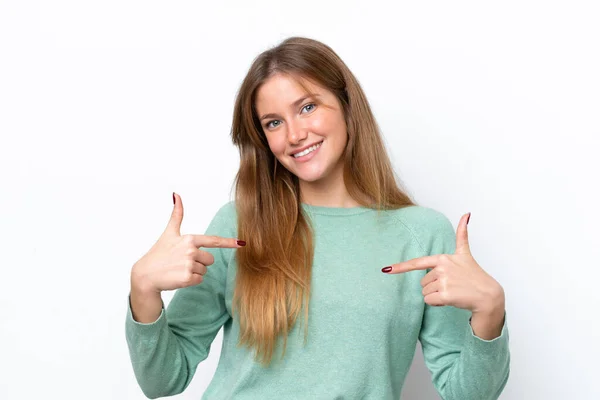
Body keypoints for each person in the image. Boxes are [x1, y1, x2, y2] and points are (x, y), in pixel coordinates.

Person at [125, 36, 510, 399]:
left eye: (307, 107)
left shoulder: (422, 234)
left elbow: (467, 393)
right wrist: (143, 287)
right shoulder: (239, 226)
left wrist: (490, 309)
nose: (294, 134)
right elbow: (163, 379)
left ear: (346, 105)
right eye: (273, 122)